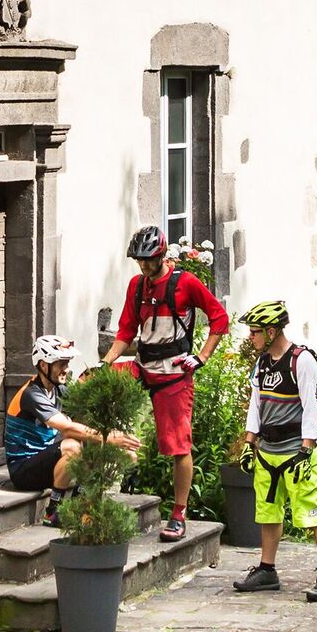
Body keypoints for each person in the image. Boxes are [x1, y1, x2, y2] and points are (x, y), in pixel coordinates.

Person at [110, 226, 229, 542]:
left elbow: (219, 318)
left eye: (148, 260)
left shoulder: (185, 283)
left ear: (161, 255)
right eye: (139, 260)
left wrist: (202, 357)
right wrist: (106, 364)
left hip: (174, 374)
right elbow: (126, 331)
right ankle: (88, 491)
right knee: (94, 391)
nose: (143, 265)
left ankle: (178, 513)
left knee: (177, 445)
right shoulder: (137, 285)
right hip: (142, 367)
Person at [230, 299, 317, 603]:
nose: (250, 337)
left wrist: (306, 450)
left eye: (255, 331)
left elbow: (314, 407)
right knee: (268, 512)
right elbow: (256, 405)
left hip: (297, 452)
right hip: (268, 452)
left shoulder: (301, 361)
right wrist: (249, 444)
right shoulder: (263, 363)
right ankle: (267, 570)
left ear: (272, 331)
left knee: (313, 511)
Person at [3, 336, 141, 526]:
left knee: (102, 445)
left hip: (46, 463)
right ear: (43, 365)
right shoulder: (31, 394)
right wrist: (109, 438)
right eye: (61, 364)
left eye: (67, 363)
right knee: (72, 446)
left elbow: (86, 416)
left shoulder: (59, 389)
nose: (66, 369)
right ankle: (53, 512)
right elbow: (67, 428)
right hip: (23, 470)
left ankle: (81, 504)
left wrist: (120, 440)